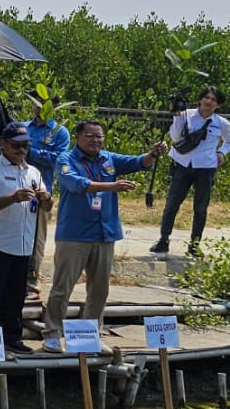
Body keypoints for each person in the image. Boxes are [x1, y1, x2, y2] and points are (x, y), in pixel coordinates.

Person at [44, 119, 164, 351]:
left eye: (99, 136)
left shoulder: (108, 158)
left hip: (104, 233)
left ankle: (89, 335)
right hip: (75, 234)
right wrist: (111, 186)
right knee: (62, 286)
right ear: (78, 137)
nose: (95, 140)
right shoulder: (65, 159)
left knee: (99, 289)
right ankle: (52, 333)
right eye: (90, 136)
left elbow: (138, 162)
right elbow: (74, 183)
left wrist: (153, 153)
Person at [0, 121, 52, 354]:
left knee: (15, 296)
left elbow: (47, 206)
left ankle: (11, 337)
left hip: (23, 244)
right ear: (3, 144)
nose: (21, 150)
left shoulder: (33, 172)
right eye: (16, 145)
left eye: (25, 145)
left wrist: (45, 198)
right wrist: (12, 197)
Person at [152, 85, 230, 257]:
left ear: (218, 105)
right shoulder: (185, 115)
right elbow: (175, 137)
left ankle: (194, 245)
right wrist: (176, 116)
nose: (209, 101)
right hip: (182, 164)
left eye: (213, 100)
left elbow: (229, 141)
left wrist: (221, 152)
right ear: (200, 99)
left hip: (205, 167)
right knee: (172, 203)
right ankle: (163, 240)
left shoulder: (221, 123)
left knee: (200, 208)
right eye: (207, 97)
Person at [25, 101, 71, 292]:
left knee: (37, 236)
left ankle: (31, 276)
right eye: (36, 103)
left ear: (54, 107)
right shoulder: (22, 127)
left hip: (42, 191)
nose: (39, 107)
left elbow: (59, 159)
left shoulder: (59, 132)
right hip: (16, 186)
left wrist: (31, 152)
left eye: (45, 104)